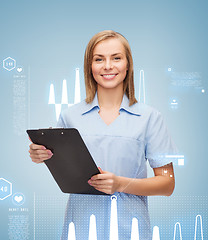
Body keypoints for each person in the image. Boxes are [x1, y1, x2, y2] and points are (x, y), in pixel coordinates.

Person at [29, 30, 177, 240]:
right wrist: (40, 155)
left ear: (128, 65)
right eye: (99, 59)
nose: (108, 66)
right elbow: (62, 165)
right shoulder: (70, 117)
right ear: (90, 66)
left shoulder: (150, 118)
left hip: (130, 230)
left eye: (116, 58)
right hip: (80, 229)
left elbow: (167, 184)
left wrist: (120, 184)